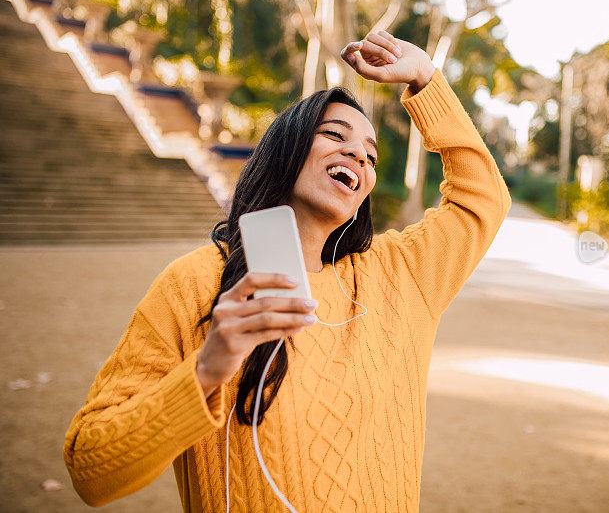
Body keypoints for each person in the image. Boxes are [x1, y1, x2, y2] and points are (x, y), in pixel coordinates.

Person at [63, 29, 512, 512]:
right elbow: (92, 470)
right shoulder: (195, 283)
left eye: (371, 153)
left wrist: (426, 79)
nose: (358, 153)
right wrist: (207, 369)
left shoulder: (399, 276)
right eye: (334, 135)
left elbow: (481, 198)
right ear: (287, 150)